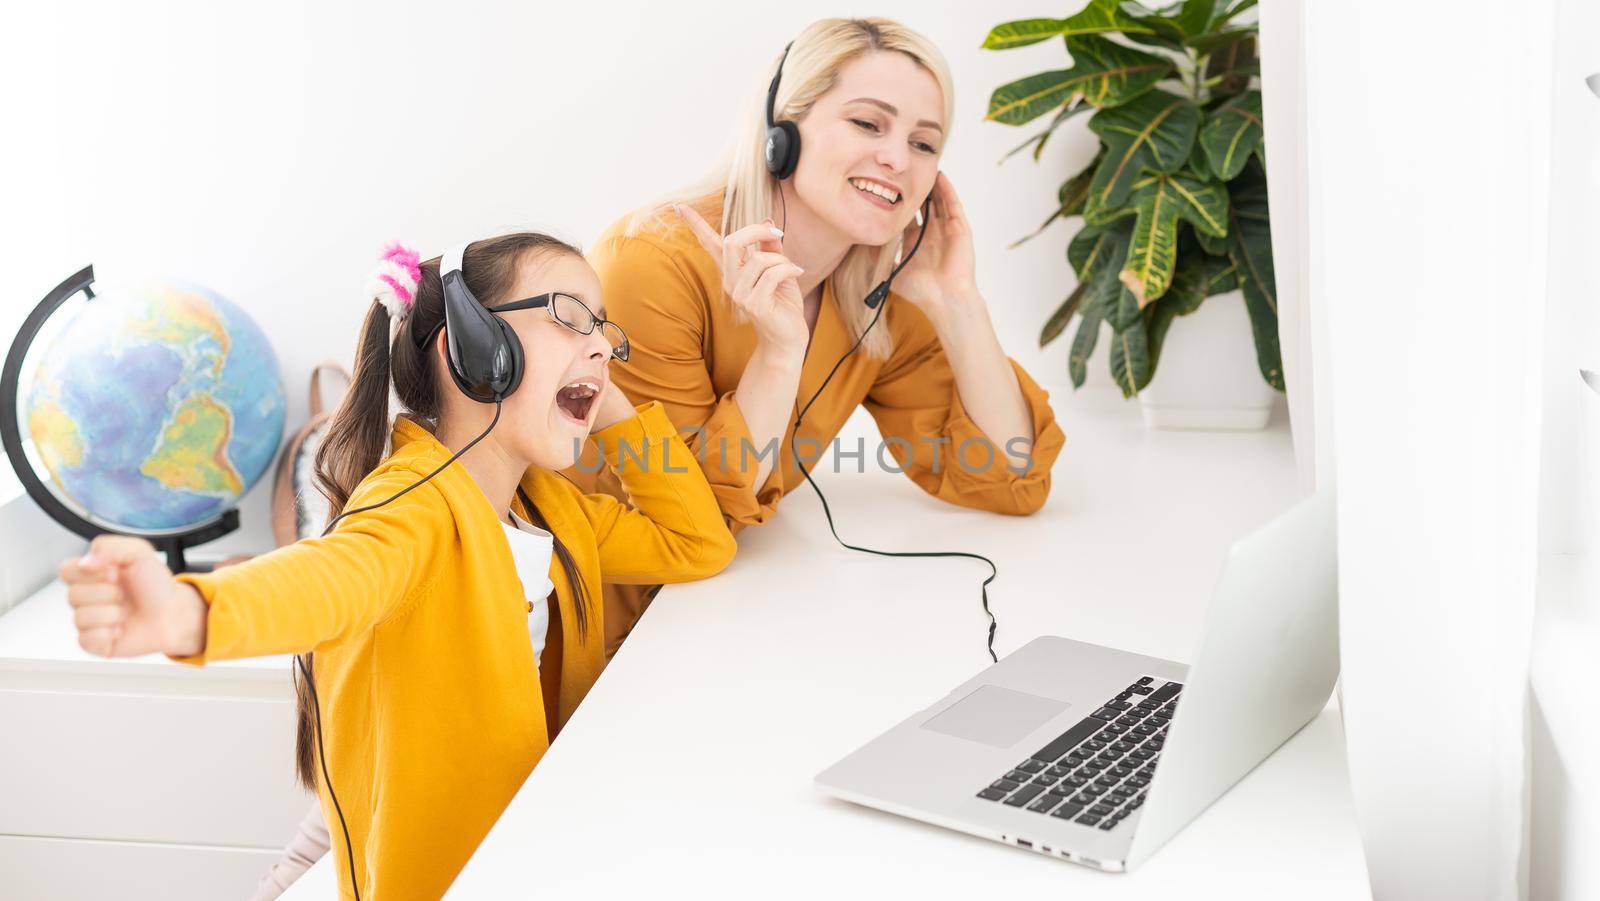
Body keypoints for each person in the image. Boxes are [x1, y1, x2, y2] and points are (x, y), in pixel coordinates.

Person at [59, 235, 736, 900]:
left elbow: (695, 540)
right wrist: (189, 611)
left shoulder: (553, 511)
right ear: (475, 352)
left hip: (533, 847)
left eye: (604, 330)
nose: (601, 343)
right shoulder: (413, 504)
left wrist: (605, 397)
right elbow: (330, 575)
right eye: (568, 316)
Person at [577, 17, 1067, 657]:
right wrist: (780, 356)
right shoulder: (651, 264)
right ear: (781, 132)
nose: (897, 158)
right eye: (868, 123)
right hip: (602, 627)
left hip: (725, 620)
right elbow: (686, 519)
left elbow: (1010, 472)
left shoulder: (874, 293)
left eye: (925, 143)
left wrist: (958, 304)